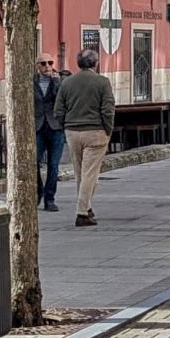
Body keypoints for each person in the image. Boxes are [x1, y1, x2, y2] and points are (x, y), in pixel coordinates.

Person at [55, 48, 114, 228]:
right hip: (95, 130)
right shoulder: (102, 82)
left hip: (73, 131)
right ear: (95, 64)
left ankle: (87, 207)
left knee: (81, 172)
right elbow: (108, 109)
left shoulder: (67, 83)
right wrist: (108, 129)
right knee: (90, 173)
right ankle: (82, 212)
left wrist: (66, 125)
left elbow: (58, 110)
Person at [33, 54, 66, 213]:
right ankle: (38, 190)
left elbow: (62, 99)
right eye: (44, 63)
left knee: (53, 166)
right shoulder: (31, 82)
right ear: (37, 66)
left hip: (55, 127)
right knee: (34, 163)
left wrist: (56, 81)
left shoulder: (58, 80)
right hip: (38, 127)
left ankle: (49, 199)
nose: (47, 66)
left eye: (50, 63)